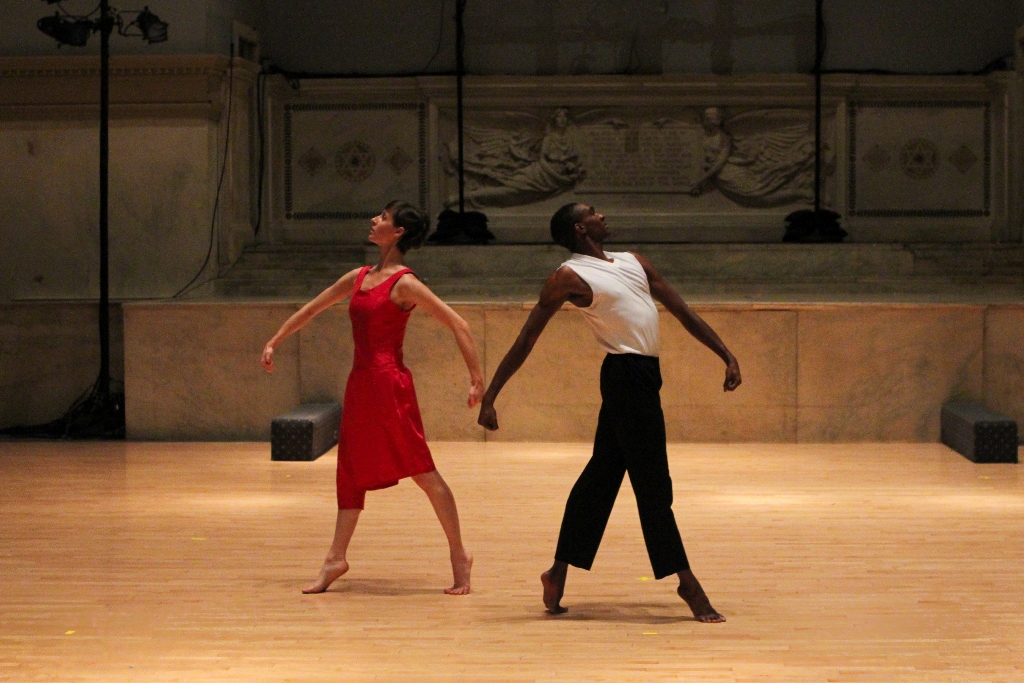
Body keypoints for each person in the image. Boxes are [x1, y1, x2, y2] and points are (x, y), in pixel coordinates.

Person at [477, 202, 741, 621]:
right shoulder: (568, 276)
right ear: (581, 228)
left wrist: (724, 353)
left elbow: (681, 310)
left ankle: (557, 572)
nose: (604, 216)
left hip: (644, 376)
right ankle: (688, 584)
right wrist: (491, 394)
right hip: (624, 376)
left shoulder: (633, 261)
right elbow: (527, 339)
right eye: (595, 213)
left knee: (601, 478)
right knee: (653, 482)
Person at [261, 201, 483, 595]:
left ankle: (459, 554)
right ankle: (335, 559)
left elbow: (459, 323)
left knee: (421, 470)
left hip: (389, 385)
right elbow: (312, 309)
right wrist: (275, 340)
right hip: (361, 383)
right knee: (349, 469)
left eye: (382, 218)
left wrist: (476, 380)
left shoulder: (406, 284)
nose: (374, 220)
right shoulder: (359, 277)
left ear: (398, 232)